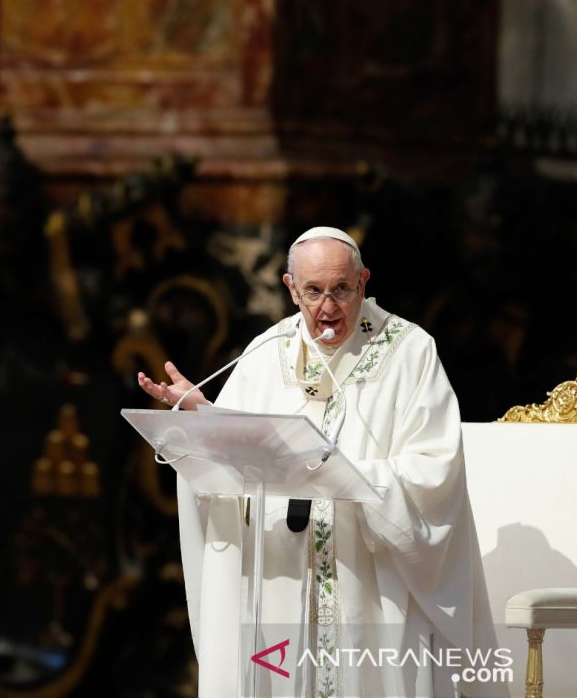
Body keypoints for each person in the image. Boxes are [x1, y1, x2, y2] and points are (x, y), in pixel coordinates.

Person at [137, 227, 503, 697]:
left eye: (341, 290)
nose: (328, 308)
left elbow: (436, 469)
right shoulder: (267, 352)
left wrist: (346, 477)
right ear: (291, 288)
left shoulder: (410, 351)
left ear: (364, 282)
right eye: (313, 291)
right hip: (282, 574)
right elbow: (242, 446)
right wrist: (203, 416)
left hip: (368, 579)